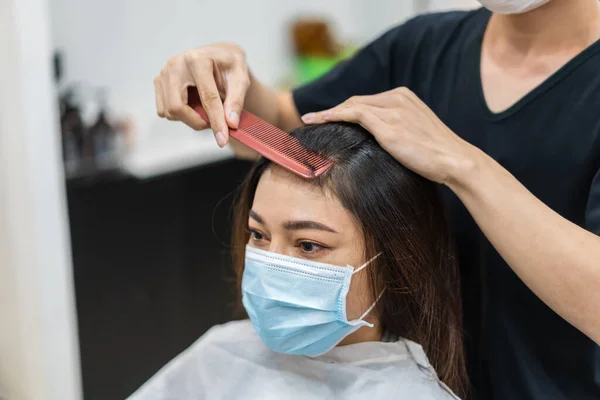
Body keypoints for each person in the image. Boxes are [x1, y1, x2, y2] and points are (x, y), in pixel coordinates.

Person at [154, 0, 600, 398]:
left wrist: (463, 165)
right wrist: (229, 93)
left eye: (307, 244)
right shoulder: (423, 47)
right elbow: (294, 129)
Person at [128, 123, 468, 399]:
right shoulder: (222, 353)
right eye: (258, 235)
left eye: (307, 245)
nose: (270, 266)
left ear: (392, 261)